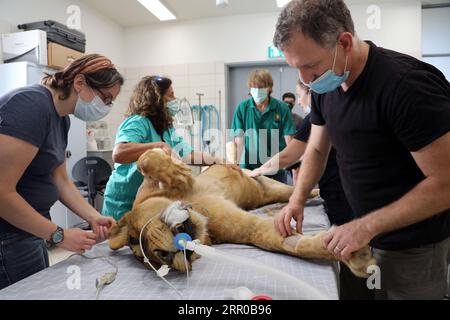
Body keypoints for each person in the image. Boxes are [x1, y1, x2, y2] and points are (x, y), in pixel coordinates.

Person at [273, 0, 450, 299]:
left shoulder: (406, 86)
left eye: (310, 66)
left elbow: (446, 182)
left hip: (412, 247)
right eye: (297, 69)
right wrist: (297, 199)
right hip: (359, 238)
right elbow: (316, 149)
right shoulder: (324, 87)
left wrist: (366, 226)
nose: (305, 80)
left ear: (344, 42)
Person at [0, 54, 123, 290]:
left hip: (29, 231)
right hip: (7, 238)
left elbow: (61, 179)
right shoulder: (30, 106)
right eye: (105, 98)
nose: (105, 107)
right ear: (79, 83)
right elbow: (2, 192)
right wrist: (59, 236)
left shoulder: (61, 118)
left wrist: (92, 216)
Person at [251, 81, 370, 299]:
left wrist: (258, 170)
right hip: (342, 194)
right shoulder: (332, 109)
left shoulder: (318, 112)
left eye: (299, 95)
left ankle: (360, 291)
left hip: (343, 198)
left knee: (355, 256)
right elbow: (311, 151)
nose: (299, 101)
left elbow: (290, 154)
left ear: (311, 93)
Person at [102, 76, 228, 221]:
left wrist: (219, 160)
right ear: (157, 98)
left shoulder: (166, 129)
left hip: (148, 200)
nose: (175, 99)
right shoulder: (137, 122)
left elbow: (188, 154)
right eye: (171, 94)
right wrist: (158, 145)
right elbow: (119, 153)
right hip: (123, 202)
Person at [231, 69, 296, 184]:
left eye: (261, 88)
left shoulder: (282, 108)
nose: (257, 91)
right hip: (249, 170)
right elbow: (238, 141)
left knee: (279, 200)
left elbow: (290, 142)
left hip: (276, 171)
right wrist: (236, 165)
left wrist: (294, 165)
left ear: (269, 88)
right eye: (254, 88)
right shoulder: (242, 108)